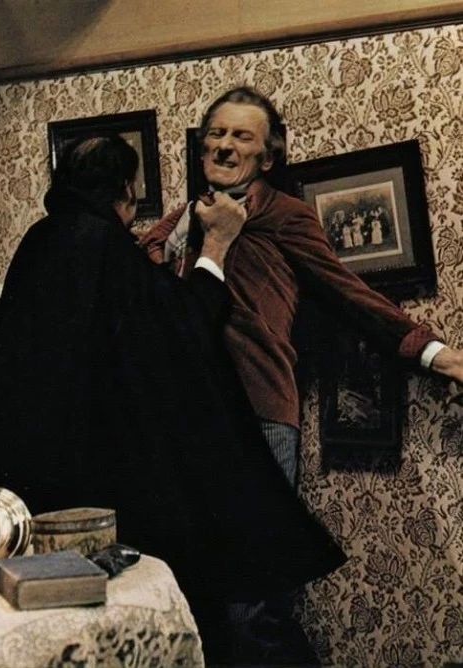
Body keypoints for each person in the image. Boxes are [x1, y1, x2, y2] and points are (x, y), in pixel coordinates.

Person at [0, 134, 346, 664]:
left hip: (37, 473)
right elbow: (186, 325)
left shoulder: (41, 240)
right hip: (112, 471)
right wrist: (216, 247)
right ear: (126, 189)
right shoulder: (103, 243)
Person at [138, 85, 463, 661]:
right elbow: (141, 271)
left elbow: (349, 292)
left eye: (242, 136)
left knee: (252, 599)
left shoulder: (285, 216)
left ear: (267, 158)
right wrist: (178, 240)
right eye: (216, 133)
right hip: (189, 417)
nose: (225, 145)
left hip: (259, 413)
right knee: (194, 590)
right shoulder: (187, 219)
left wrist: (436, 353)